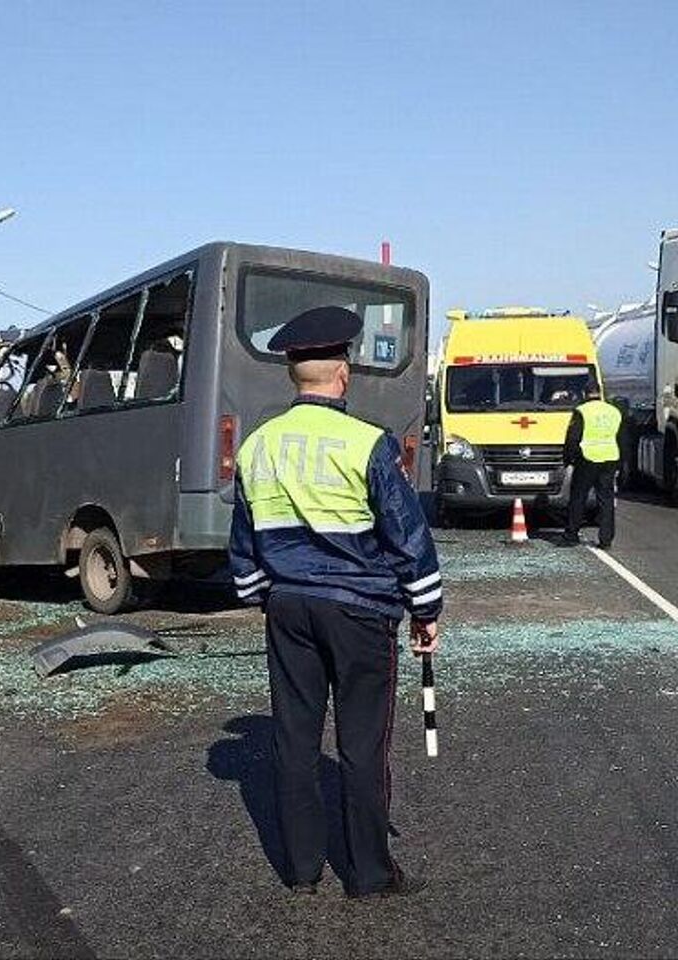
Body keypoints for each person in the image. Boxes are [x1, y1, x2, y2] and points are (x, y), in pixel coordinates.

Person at [228, 305, 443, 899]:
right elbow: (407, 535)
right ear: (342, 371)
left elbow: (243, 543)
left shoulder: (257, 446)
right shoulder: (367, 444)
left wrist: (261, 596)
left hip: (289, 607)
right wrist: (425, 611)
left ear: (293, 374)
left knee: (294, 740)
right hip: (359, 612)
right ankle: (370, 874)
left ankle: (300, 870)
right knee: (362, 743)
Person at [561, 385, 623, 549]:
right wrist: (621, 462)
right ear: (600, 392)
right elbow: (622, 438)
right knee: (606, 500)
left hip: (587, 458)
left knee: (578, 497)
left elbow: (572, 438)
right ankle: (606, 540)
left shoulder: (582, 411)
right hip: (610, 457)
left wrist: (568, 459)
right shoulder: (613, 411)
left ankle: (572, 534)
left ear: (584, 393)